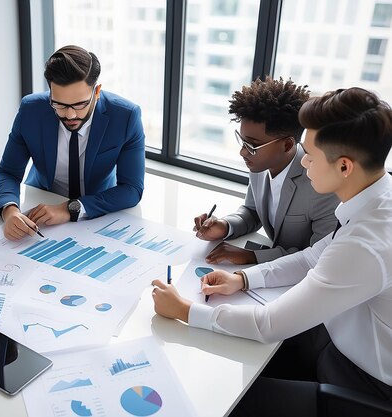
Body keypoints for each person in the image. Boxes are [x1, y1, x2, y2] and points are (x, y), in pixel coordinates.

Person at [153, 87, 392, 416]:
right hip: (337, 345)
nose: (303, 161)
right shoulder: (376, 198)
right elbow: (312, 258)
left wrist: (184, 310)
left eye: (310, 154)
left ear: (345, 167)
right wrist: (243, 279)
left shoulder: (368, 242)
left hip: (361, 383)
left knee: (216, 400)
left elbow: (270, 325)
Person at [0, 45, 145, 241]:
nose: (70, 114)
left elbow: (132, 189)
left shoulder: (125, 116)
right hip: (40, 202)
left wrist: (70, 209)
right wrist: (10, 210)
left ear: (97, 92)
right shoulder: (31, 110)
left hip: (97, 210)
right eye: (60, 105)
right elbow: (7, 172)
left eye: (80, 104)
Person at [193, 77, 339, 265]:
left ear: (287, 145)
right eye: (242, 141)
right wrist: (225, 226)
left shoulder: (321, 183)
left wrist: (252, 256)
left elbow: (318, 256)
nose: (243, 152)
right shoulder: (259, 165)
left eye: (252, 145)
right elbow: (253, 211)